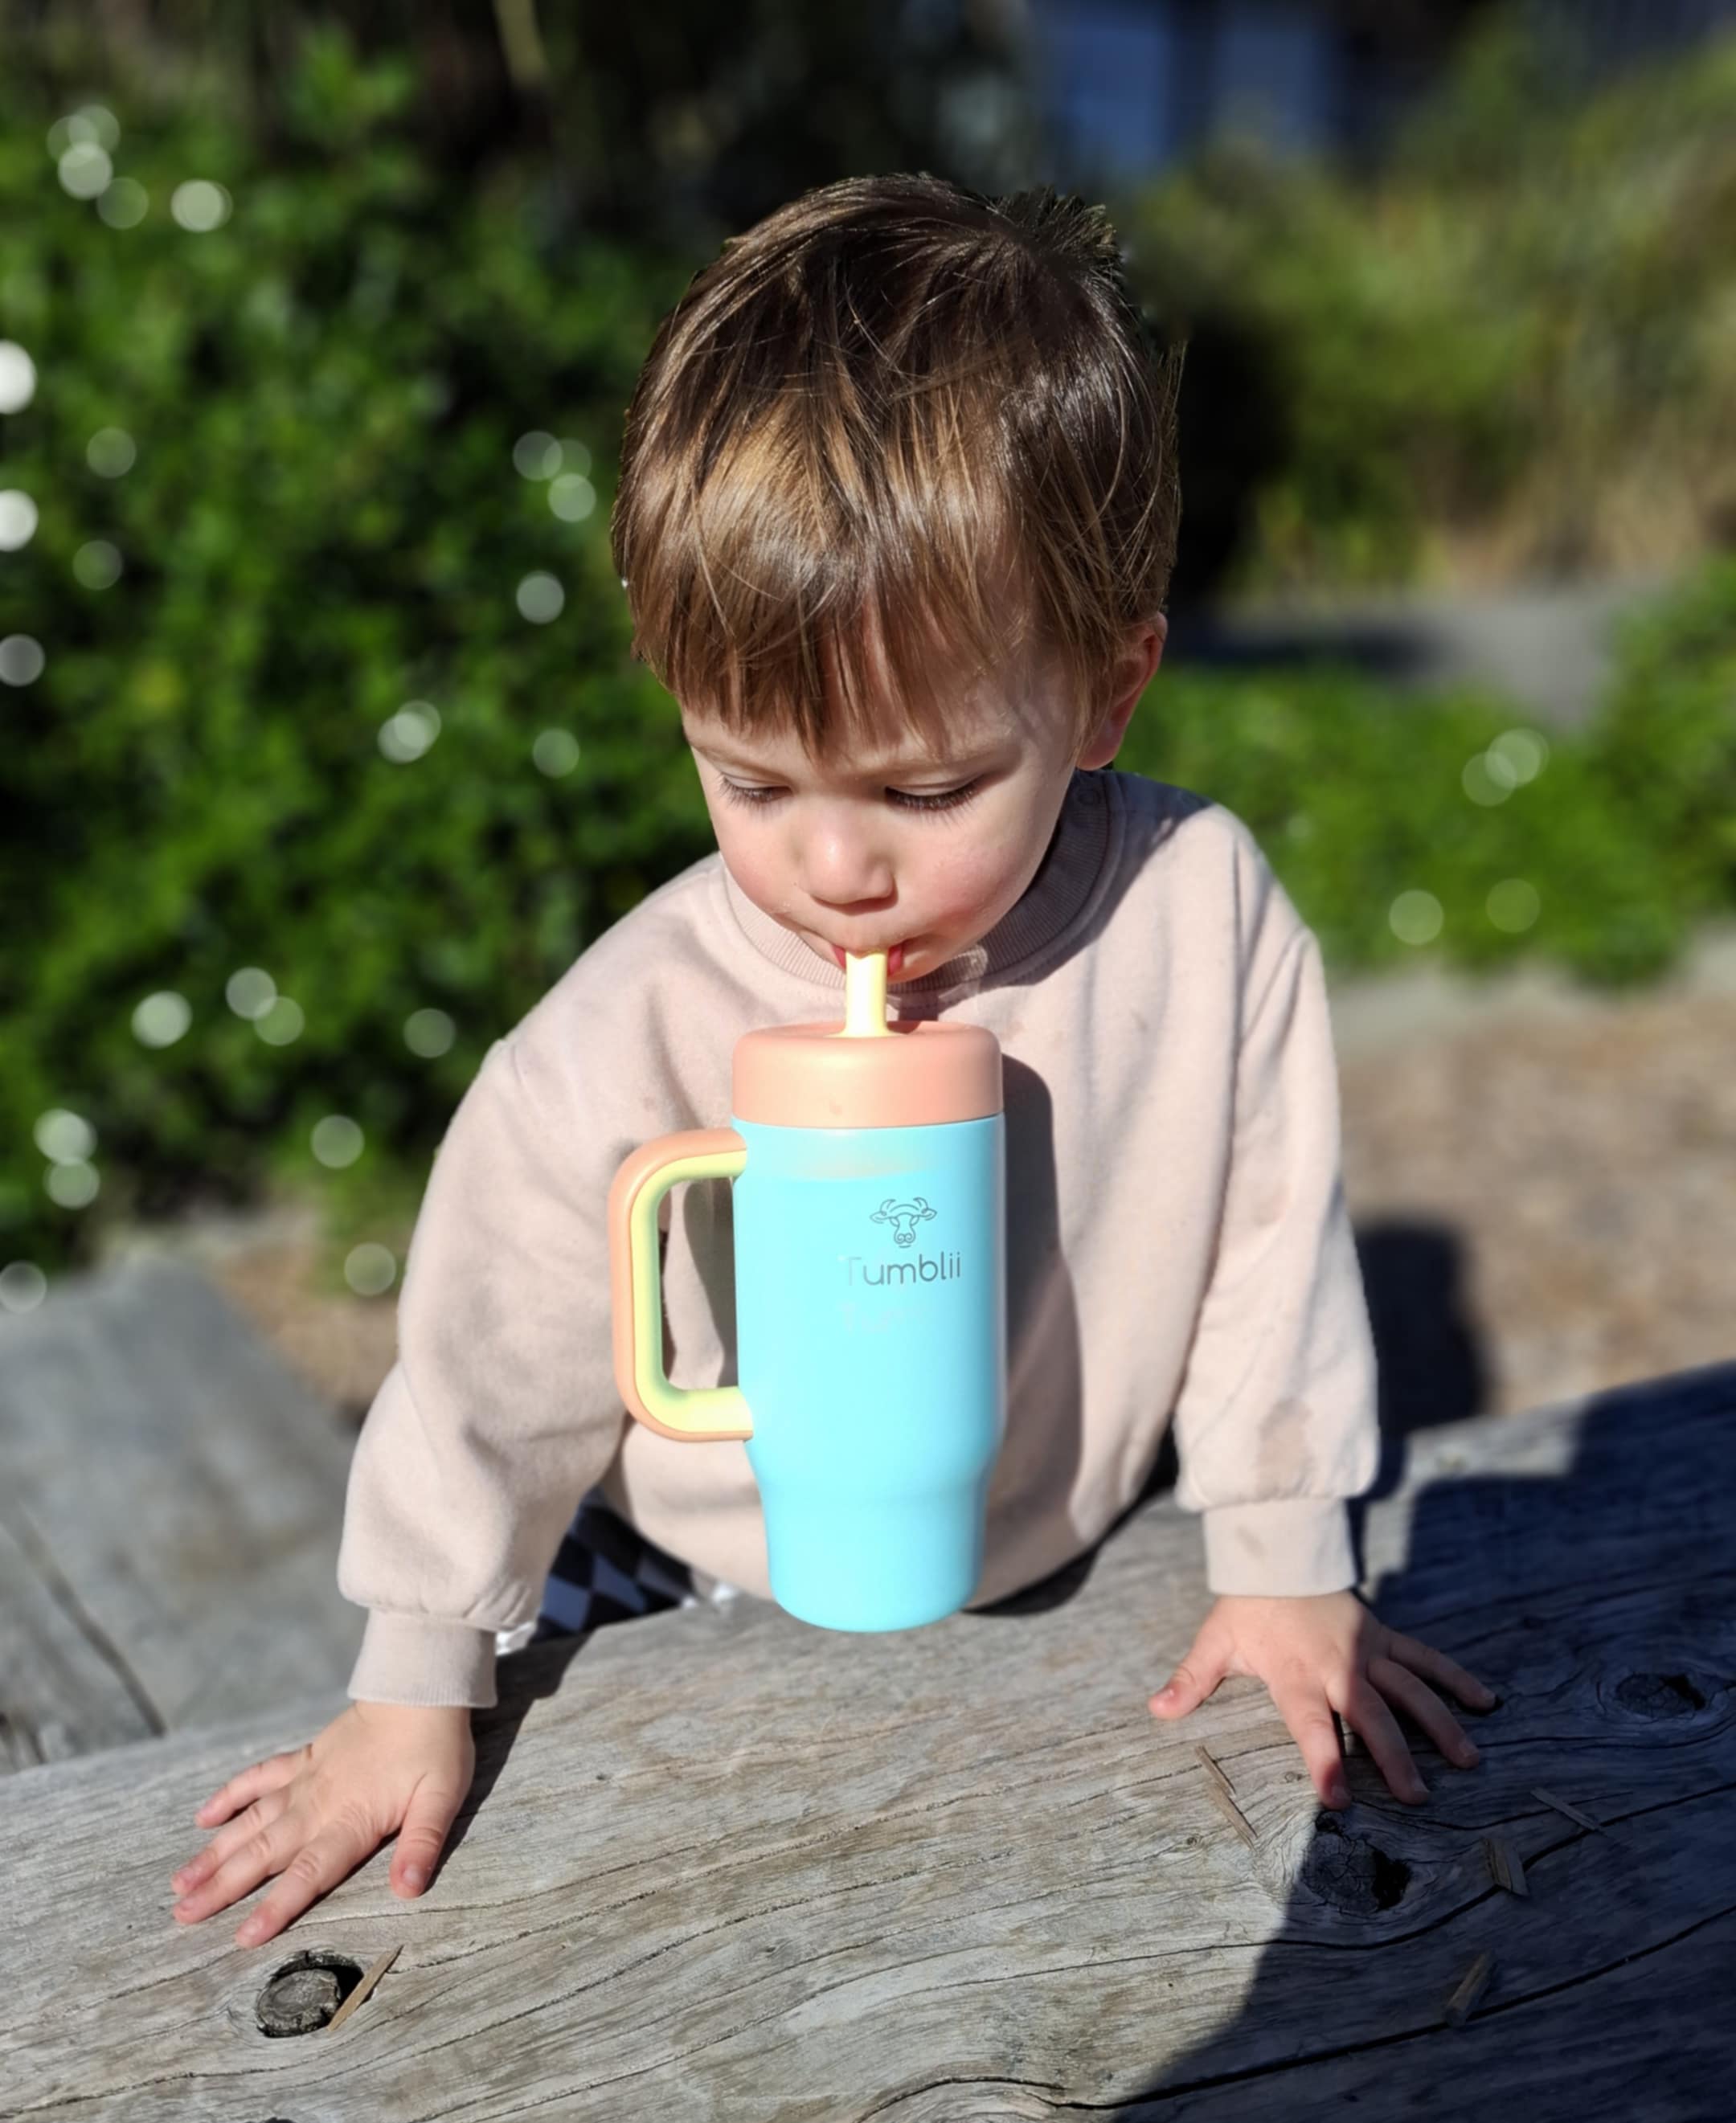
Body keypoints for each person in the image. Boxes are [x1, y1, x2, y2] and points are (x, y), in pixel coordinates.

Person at [169, 174, 1497, 1951]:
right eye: (750, 780)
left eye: (928, 791)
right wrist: (416, 1675)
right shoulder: (637, 1014)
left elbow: (1270, 1238)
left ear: (1109, 693)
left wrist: (1281, 1553)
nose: (833, 866)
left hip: (1058, 1518)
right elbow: (496, 1347)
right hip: (680, 1542)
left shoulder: (1195, 913)